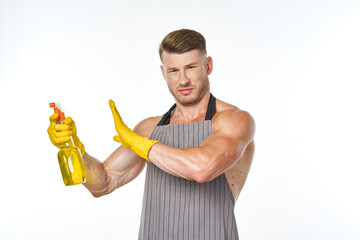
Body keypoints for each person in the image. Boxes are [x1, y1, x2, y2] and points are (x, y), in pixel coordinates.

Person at [47, 29, 255, 240]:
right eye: (173, 70)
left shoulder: (234, 121)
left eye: (190, 67)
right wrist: (75, 149)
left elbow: (203, 168)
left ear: (208, 65)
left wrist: (143, 145)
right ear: (164, 73)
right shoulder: (149, 129)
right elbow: (105, 182)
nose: (183, 80)